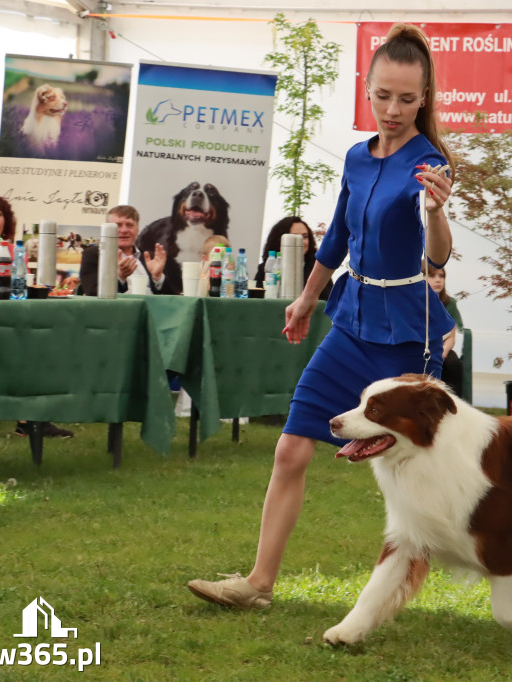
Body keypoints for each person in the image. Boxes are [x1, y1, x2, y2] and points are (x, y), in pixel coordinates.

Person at [187, 23, 456, 610]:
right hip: (351, 323)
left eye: (408, 99)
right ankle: (258, 584)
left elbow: (437, 255)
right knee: (290, 449)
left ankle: (439, 568)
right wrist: (308, 296)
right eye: (383, 95)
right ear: (367, 89)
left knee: (416, 476)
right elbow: (338, 235)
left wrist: (437, 211)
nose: (393, 109)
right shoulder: (358, 158)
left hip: (409, 334)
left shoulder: (429, 164)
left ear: (424, 99)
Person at [76, 205, 177, 296]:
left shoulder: (151, 258)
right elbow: (92, 292)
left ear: (137, 230)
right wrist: (120, 277)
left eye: (130, 225)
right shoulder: (94, 255)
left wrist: (158, 277)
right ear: (108, 230)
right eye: (118, 225)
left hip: (150, 313)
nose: (124, 230)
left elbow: (172, 297)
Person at [254, 216, 333, 300]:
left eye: (305, 236)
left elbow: (330, 301)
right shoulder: (266, 269)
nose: (300, 241)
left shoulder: (318, 269)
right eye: (294, 237)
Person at [426, 265, 465, 398]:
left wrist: (442, 353)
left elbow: (451, 336)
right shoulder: (413, 302)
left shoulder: (449, 303)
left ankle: (455, 403)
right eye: (432, 276)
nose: (438, 280)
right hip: (420, 348)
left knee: (453, 364)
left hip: (441, 348)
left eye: (441, 276)